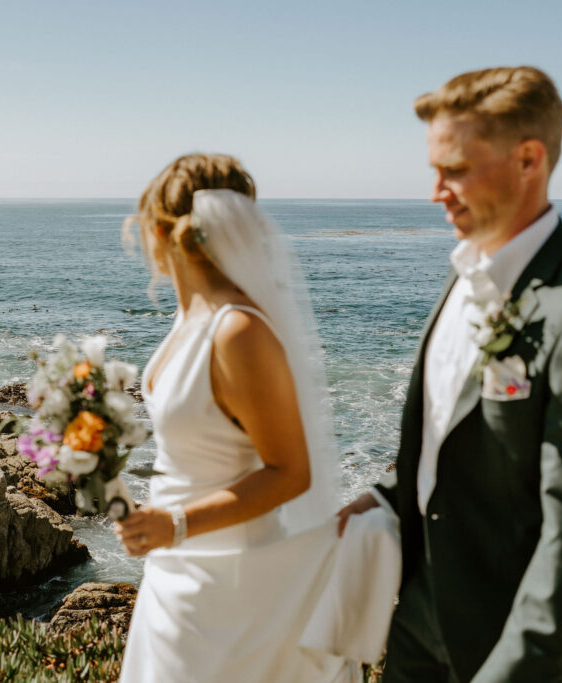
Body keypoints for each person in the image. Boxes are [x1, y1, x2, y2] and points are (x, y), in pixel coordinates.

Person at [338, 66, 562, 682]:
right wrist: (384, 497)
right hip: (417, 628)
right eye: (435, 170)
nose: (437, 191)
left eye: (457, 169)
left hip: (518, 652)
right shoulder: (464, 278)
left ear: (528, 159)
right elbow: (453, 437)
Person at [114, 154, 385, 682]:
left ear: (161, 230)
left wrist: (176, 523)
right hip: (174, 570)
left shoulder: (239, 331)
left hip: (229, 580)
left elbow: (291, 471)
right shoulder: (189, 317)